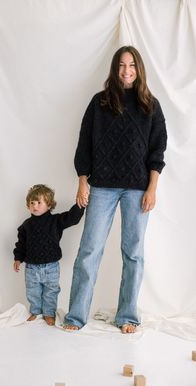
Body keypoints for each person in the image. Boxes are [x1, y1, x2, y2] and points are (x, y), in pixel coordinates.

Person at [63, 46, 167, 333]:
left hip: (137, 189)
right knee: (89, 250)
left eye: (132, 65)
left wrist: (152, 188)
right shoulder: (99, 103)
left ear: (139, 68)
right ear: (114, 68)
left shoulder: (150, 105)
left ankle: (128, 316)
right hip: (102, 186)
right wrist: (82, 181)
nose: (126, 71)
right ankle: (75, 316)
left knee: (133, 252)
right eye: (121, 65)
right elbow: (84, 143)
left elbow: (158, 150)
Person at [13, 184, 84, 325]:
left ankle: (49, 313)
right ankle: (35, 311)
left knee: (51, 291)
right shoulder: (26, 225)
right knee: (33, 292)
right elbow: (21, 244)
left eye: (39, 202)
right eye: (32, 203)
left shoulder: (55, 221)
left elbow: (72, 218)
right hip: (32, 268)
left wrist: (80, 204)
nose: (35, 206)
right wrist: (18, 258)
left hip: (51, 267)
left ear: (49, 204)